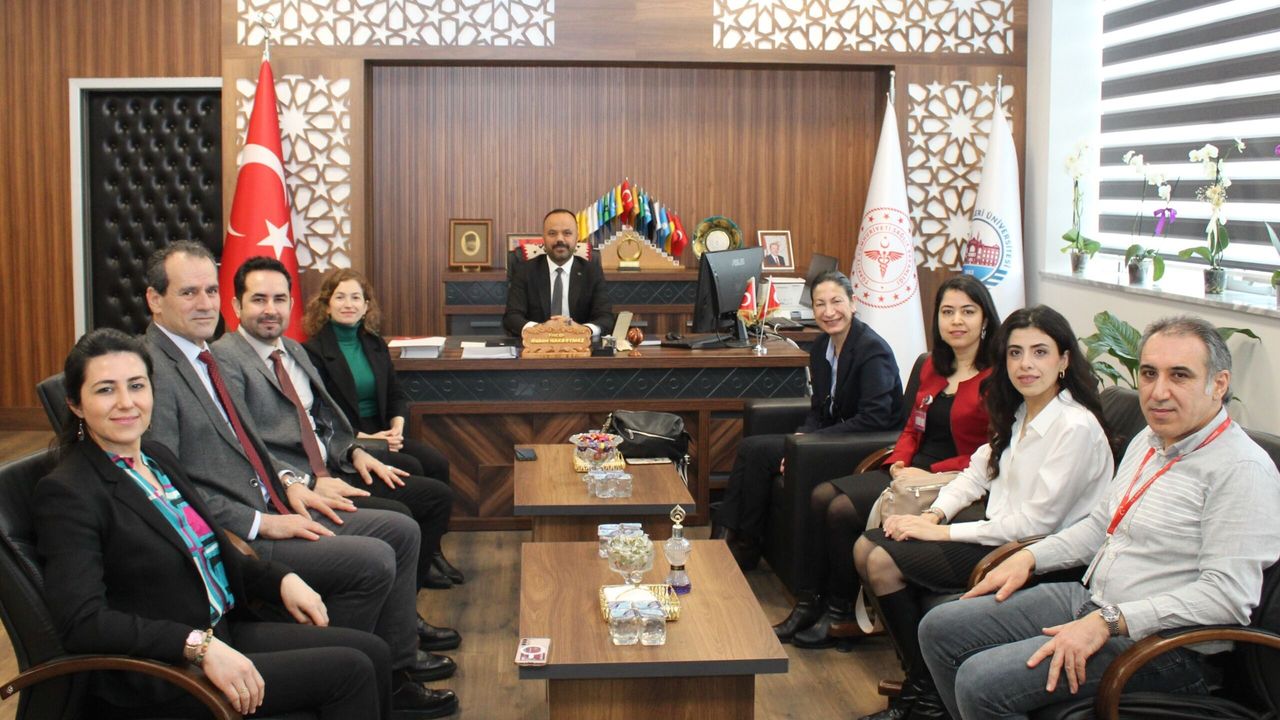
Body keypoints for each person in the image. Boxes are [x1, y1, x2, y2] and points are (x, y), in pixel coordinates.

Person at [141, 242, 457, 716]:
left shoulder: (202, 356)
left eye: (210, 290)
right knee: (376, 556)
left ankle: (389, 669)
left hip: (281, 496)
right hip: (239, 531)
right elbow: (167, 485)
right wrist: (262, 519)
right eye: (189, 293)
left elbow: (250, 444)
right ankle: (341, 673)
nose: (204, 303)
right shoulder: (152, 370)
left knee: (402, 527)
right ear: (155, 299)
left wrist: (292, 485)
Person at [919, 315, 1280, 720]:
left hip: (1167, 648)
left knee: (980, 681)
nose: (1158, 391)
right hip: (1096, 602)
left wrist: (1110, 621)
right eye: (1149, 373)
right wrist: (1030, 557)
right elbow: (1099, 526)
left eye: (1179, 375)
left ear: (1219, 384)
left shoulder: (1241, 469)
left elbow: (1228, 597)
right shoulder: (1150, 440)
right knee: (939, 628)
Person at [36, 328, 404, 719]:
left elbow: (206, 548)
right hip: (164, 670)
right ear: (76, 404)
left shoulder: (157, 458)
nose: (127, 402)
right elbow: (83, 623)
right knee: (351, 673)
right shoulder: (68, 492)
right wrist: (196, 646)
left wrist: (280, 578)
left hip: (220, 630)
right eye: (105, 390)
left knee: (374, 652)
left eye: (137, 385)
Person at [853, 304, 1113, 720]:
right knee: (868, 547)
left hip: (1035, 555)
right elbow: (975, 475)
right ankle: (924, 685)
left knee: (882, 560)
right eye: (1015, 353)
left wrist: (944, 534)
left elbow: (1037, 524)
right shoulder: (1020, 410)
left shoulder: (1075, 427)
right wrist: (934, 516)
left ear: (1064, 360)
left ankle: (925, 695)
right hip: (998, 537)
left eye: (1040, 352)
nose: (1026, 364)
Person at [212, 257, 463, 631]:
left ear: (292, 304)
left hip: (336, 464)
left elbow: (325, 421)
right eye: (259, 299)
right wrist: (308, 480)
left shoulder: (293, 351)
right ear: (235, 305)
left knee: (431, 492)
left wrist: (355, 450)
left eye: (279, 299)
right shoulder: (225, 360)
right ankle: (401, 628)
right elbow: (244, 444)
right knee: (402, 517)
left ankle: (404, 620)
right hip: (297, 487)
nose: (270, 310)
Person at [777, 275, 1000, 649]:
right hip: (909, 471)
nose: (957, 321)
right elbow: (912, 426)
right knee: (821, 496)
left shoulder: (997, 378)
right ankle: (809, 602)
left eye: (967, 312)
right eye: (948, 312)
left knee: (841, 510)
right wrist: (899, 461)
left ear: (985, 319)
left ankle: (840, 613)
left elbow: (991, 451)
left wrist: (928, 471)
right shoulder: (933, 367)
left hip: (953, 479)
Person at [714, 270, 904, 571]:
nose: (829, 312)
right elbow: (818, 409)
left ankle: (741, 545)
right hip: (828, 439)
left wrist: (811, 444)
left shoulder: (872, 350)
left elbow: (875, 419)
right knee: (752, 448)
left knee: (760, 451)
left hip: (865, 446)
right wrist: (804, 437)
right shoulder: (821, 347)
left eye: (836, 302)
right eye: (820, 304)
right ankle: (733, 540)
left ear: (853, 303)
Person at [302, 267, 463, 587]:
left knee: (437, 463)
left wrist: (397, 426)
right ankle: (419, 562)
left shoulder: (374, 343)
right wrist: (365, 438)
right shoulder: (314, 351)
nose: (348, 304)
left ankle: (432, 551)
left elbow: (396, 395)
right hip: (350, 439)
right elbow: (320, 414)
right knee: (413, 466)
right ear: (327, 305)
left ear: (366, 306)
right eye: (340, 297)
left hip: (383, 432)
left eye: (356, 298)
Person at [502, 208, 613, 336]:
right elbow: (511, 317)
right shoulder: (524, 271)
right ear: (543, 238)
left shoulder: (592, 272)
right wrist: (540, 329)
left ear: (577, 238)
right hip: (537, 343)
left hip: (579, 344)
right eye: (552, 233)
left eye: (567, 233)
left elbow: (605, 318)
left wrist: (582, 330)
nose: (560, 239)